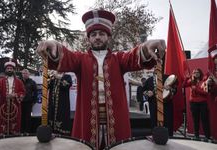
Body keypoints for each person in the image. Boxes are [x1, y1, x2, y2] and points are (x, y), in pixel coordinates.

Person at [36, 9, 166, 149]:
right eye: (93, 34)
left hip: (115, 120)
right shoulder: (80, 59)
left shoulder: (119, 59)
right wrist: (54, 45)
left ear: (108, 37)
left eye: (102, 34)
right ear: (89, 38)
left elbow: (133, 56)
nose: (97, 37)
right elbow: (67, 57)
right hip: (88, 120)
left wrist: (146, 47)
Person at [0, 59, 25, 135]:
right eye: (8, 69)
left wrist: (15, 95)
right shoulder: (0, 80)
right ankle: (1, 134)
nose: (9, 70)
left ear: (13, 70)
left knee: (15, 121)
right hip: (3, 104)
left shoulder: (19, 81)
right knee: (1, 120)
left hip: (15, 104)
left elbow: (23, 92)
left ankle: (13, 133)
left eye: (11, 69)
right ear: (5, 70)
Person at [183, 68, 211, 141]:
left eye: (197, 72)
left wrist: (196, 89)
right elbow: (184, 85)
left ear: (200, 73)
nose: (196, 73)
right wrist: (187, 78)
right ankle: (196, 136)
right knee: (196, 120)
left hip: (202, 103)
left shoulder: (204, 81)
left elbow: (206, 93)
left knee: (204, 119)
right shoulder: (192, 81)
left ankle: (207, 136)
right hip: (193, 103)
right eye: (194, 72)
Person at [48, 70, 72, 136]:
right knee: (51, 115)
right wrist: (48, 77)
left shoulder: (67, 76)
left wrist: (59, 78)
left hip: (62, 103)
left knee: (61, 115)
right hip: (53, 102)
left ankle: (62, 132)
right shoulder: (53, 77)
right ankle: (52, 130)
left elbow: (67, 85)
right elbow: (47, 86)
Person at [20, 69, 38, 134]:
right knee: (21, 117)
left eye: (26, 73)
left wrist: (34, 101)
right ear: (22, 74)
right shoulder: (19, 81)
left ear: (29, 74)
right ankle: (21, 131)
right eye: (23, 73)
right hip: (20, 102)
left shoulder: (32, 82)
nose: (25, 74)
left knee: (28, 117)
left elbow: (36, 92)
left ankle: (27, 131)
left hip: (28, 102)